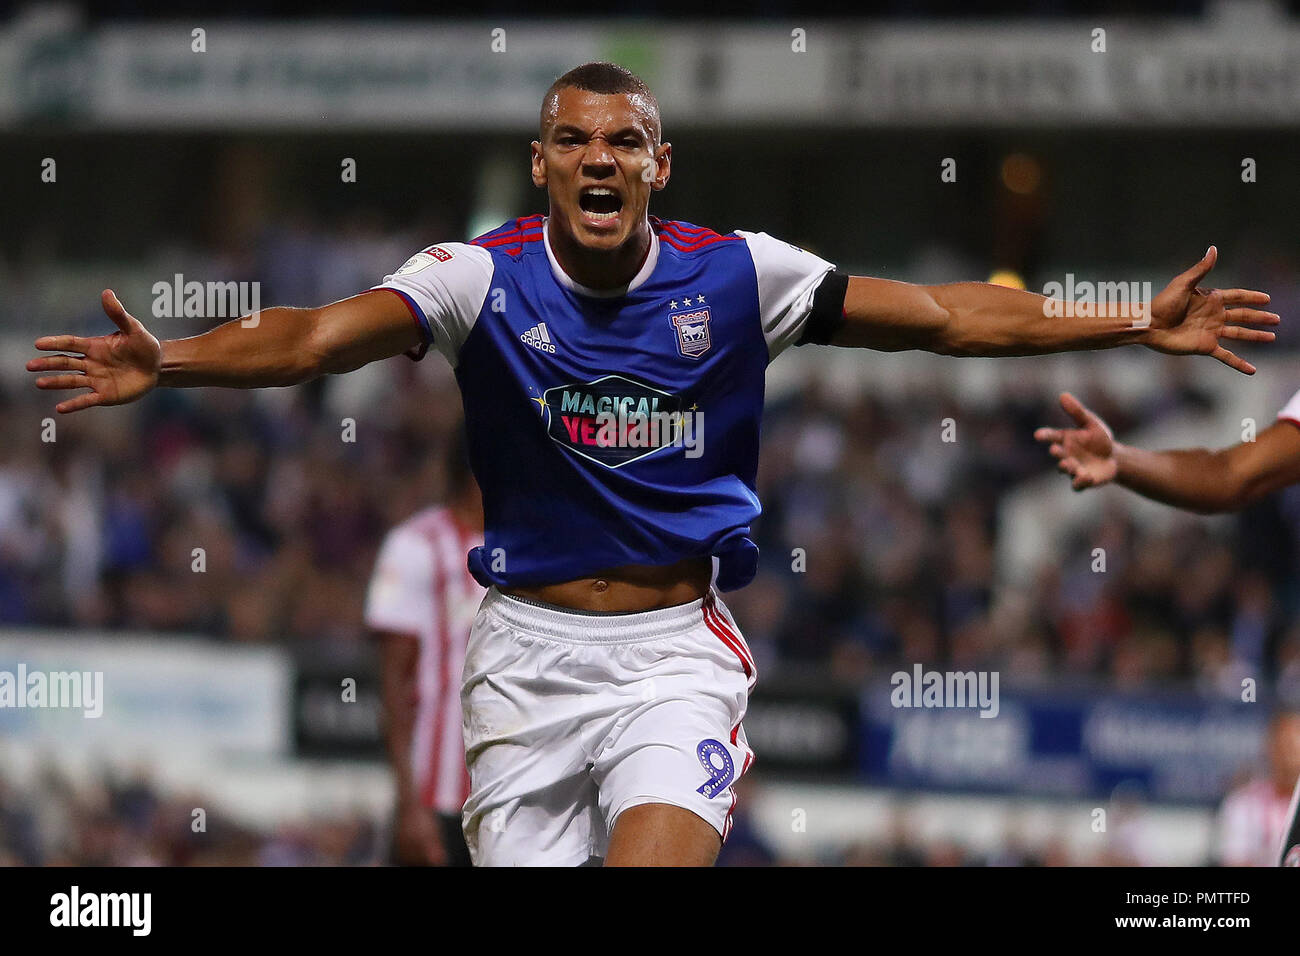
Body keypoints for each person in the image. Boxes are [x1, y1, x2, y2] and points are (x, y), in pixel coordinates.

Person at [28, 62, 1277, 866]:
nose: (599, 158)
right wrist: (172, 362)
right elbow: (311, 338)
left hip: (673, 654)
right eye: (572, 139)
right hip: (520, 664)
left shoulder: (741, 274)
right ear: (542, 164)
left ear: (658, 164)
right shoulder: (479, 277)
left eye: (624, 140)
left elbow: (950, 317)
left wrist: (1126, 318)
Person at [366, 431, 483, 867]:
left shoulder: (534, 547)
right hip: (437, 797)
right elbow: (394, 686)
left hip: (511, 799)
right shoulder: (414, 546)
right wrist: (409, 806)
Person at [1216, 709, 1300, 866]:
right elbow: (1235, 860)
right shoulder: (1244, 804)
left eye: (1296, 745)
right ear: (1270, 747)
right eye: (1286, 744)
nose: (1291, 755)